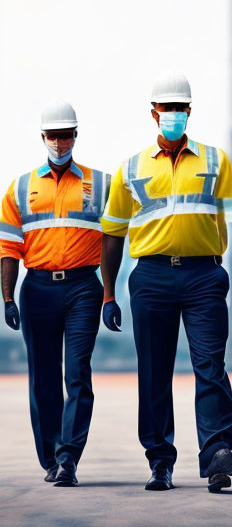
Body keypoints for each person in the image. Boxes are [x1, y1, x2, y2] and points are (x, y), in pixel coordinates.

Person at [100, 70, 232, 493]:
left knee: (210, 365)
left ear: (189, 112)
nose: (174, 115)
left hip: (204, 275)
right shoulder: (129, 169)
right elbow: (112, 235)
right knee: (154, 371)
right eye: (167, 109)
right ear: (154, 113)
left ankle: (217, 455)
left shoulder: (216, 161)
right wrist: (109, 294)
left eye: (180, 109)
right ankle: (160, 460)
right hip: (150, 277)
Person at [0, 100, 112, 487]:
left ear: (76, 136)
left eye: (66, 135)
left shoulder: (101, 184)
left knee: (77, 372)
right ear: (43, 137)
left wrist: (110, 293)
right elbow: (9, 247)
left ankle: (68, 459)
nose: (60, 142)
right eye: (53, 136)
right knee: (43, 379)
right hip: (38, 290)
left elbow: (118, 237)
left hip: (83, 287)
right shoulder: (20, 187)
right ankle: (50, 456)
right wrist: (8, 298)